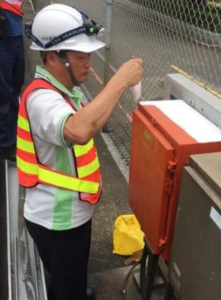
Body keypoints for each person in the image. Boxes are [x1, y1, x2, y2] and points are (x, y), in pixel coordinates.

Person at [16, 4, 143, 300]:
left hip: (69, 213)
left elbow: (92, 121)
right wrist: (119, 81)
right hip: (57, 220)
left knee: (70, 274)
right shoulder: (41, 99)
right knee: (67, 283)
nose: (88, 63)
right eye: (80, 56)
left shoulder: (62, 90)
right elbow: (78, 130)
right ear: (51, 57)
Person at [0, 0, 25, 161]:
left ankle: (15, 136)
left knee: (16, 86)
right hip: (3, 36)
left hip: (16, 33)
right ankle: (5, 145)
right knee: (3, 94)